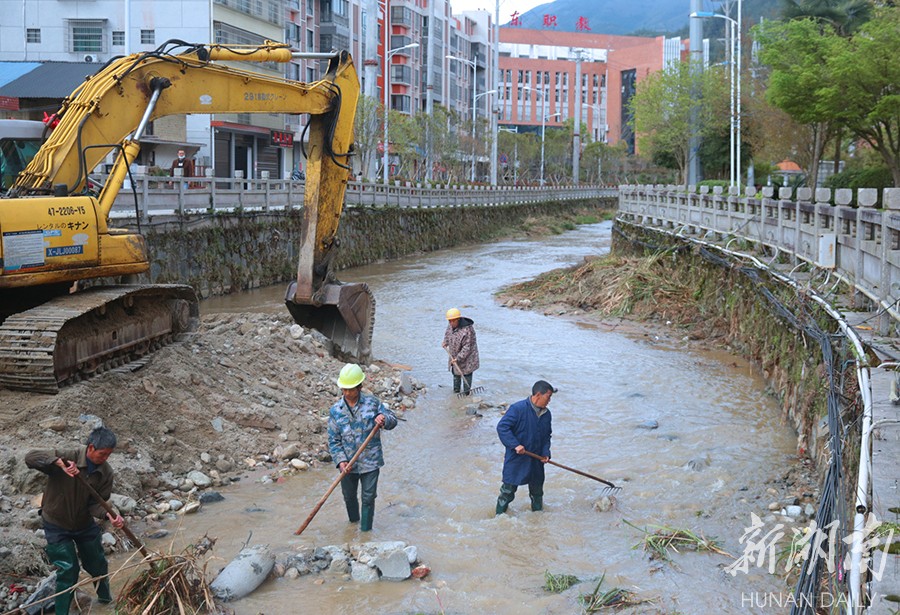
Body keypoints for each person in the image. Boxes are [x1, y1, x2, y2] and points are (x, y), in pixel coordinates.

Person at [25, 427, 125, 614]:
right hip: (56, 524)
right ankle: (62, 612)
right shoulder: (67, 456)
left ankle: (105, 601)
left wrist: (108, 515)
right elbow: (30, 457)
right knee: (68, 570)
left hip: (83, 523)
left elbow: (97, 503)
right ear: (91, 448)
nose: (105, 458)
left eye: (109, 455)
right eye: (102, 454)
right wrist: (58, 463)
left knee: (97, 563)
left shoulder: (105, 472)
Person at [327, 363, 398, 532]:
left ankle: (366, 534)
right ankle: (353, 527)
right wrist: (341, 461)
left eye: (351, 389)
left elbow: (392, 420)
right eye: (344, 389)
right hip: (348, 463)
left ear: (360, 387)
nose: (347, 393)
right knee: (349, 497)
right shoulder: (336, 410)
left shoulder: (373, 404)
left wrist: (384, 418)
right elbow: (333, 440)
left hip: (370, 461)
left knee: (368, 498)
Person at [495, 380, 556, 515]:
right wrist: (515, 444)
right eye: (548, 397)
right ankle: (499, 517)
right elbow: (502, 427)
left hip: (537, 459)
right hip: (517, 458)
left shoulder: (547, 414)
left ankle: (538, 519)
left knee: (537, 492)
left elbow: (547, 436)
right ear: (538, 395)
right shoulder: (518, 409)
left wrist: (546, 453)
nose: (549, 400)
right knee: (508, 491)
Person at [441, 307, 480, 395]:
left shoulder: (467, 330)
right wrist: (445, 342)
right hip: (454, 355)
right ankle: (456, 392)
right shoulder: (451, 326)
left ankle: (466, 393)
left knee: (466, 375)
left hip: (468, 358)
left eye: (453, 321)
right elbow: (448, 334)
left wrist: (458, 358)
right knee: (456, 374)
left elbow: (467, 347)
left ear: (458, 319)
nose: (451, 323)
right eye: (449, 321)